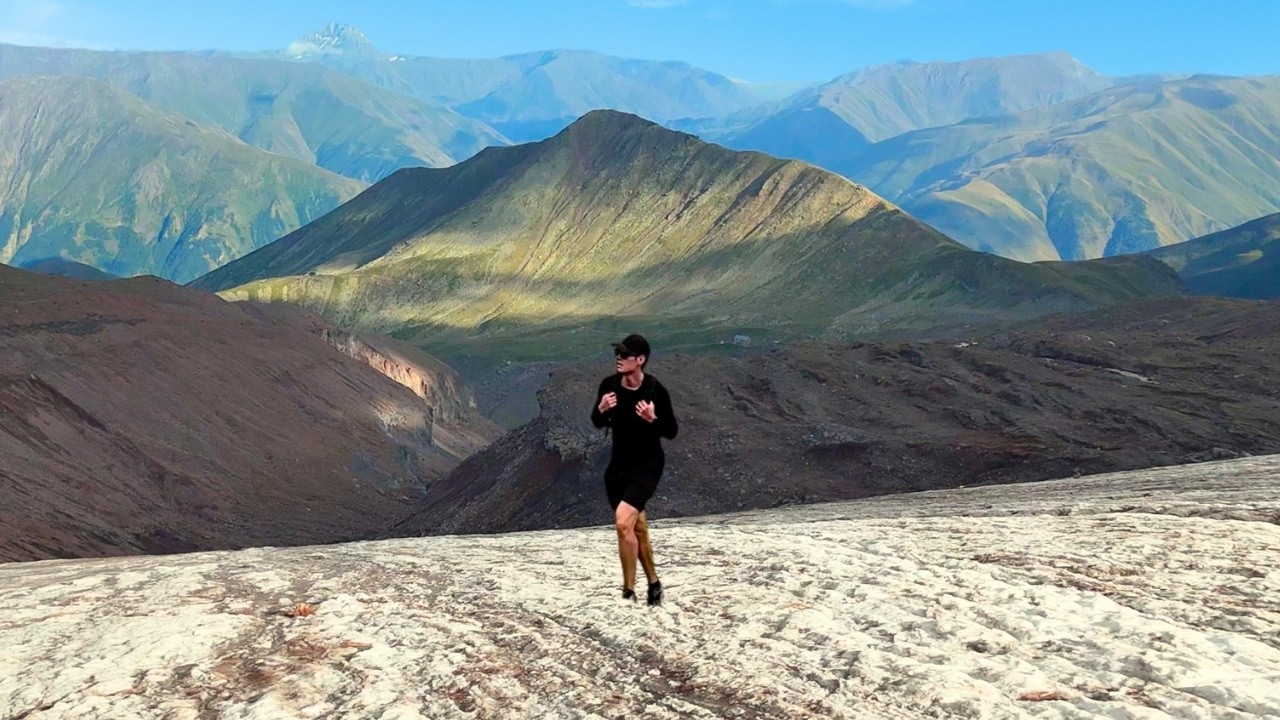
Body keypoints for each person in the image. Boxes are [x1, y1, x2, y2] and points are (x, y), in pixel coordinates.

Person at [590, 333, 678, 605]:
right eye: (618, 353)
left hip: (647, 465)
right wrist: (602, 410)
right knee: (636, 528)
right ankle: (654, 583)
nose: (618, 358)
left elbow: (671, 430)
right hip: (618, 467)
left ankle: (628, 593)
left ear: (640, 360)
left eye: (625, 355)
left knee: (622, 522)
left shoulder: (654, 390)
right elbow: (596, 421)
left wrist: (653, 419)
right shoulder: (609, 386)